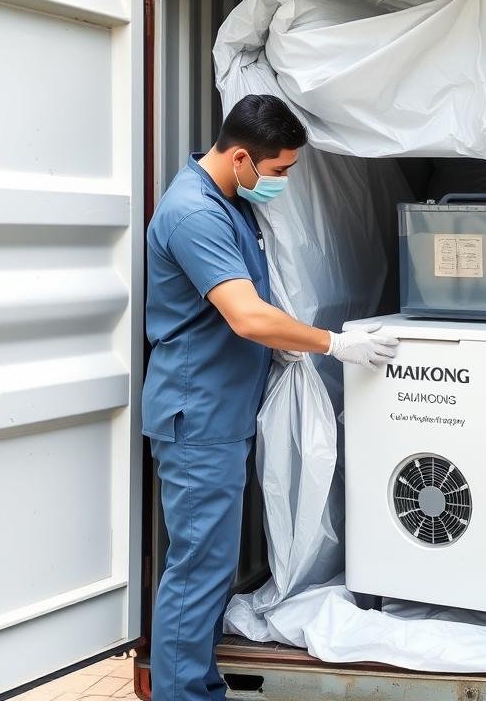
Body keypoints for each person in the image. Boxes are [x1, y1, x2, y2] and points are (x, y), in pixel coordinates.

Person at [142, 94, 397, 701]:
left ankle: (199, 686)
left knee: (210, 565)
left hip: (220, 411)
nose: (280, 182)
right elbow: (248, 317)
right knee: (199, 568)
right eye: (278, 171)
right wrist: (331, 344)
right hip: (197, 415)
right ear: (240, 159)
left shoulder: (226, 203)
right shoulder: (194, 214)